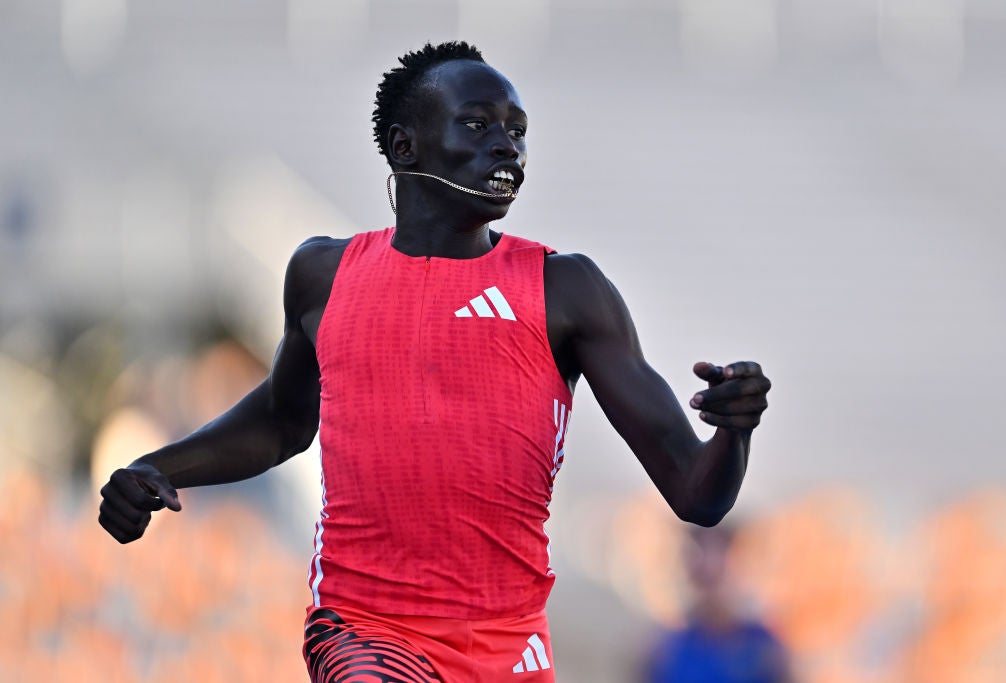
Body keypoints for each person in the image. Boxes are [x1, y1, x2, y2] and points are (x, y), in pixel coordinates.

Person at [98, 41, 771, 682]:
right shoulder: (323, 275)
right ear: (404, 146)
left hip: (509, 643)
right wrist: (160, 466)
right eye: (477, 124)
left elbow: (698, 494)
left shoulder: (567, 290)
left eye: (517, 129)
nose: (507, 144)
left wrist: (733, 430)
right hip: (363, 627)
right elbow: (281, 420)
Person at [644, 524, 794, 683]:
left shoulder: (765, 648)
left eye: (717, 573)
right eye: (703, 576)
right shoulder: (668, 650)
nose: (709, 564)